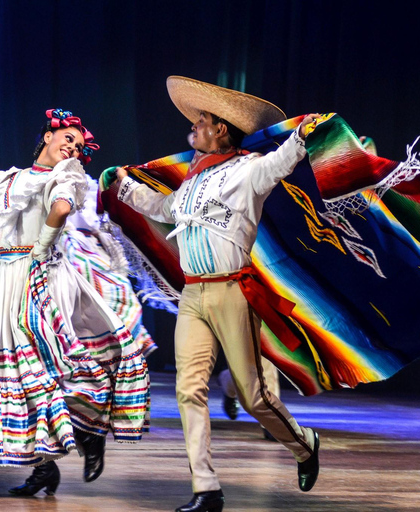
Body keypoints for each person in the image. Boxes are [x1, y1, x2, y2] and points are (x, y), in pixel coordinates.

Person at [102, 76, 322, 512]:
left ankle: (303, 445)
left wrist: (300, 136)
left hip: (232, 292)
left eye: (200, 120)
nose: (194, 127)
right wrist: (124, 186)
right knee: (189, 390)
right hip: (193, 297)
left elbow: (280, 164)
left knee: (253, 396)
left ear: (220, 129)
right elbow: (165, 209)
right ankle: (206, 489)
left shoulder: (250, 170)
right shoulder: (194, 179)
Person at [0, 109, 149, 496]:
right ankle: (44, 466)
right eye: (68, 139)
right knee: (13, 373)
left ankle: (87, 433)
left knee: (46, 366)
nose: (73, 148)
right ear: (48, 136)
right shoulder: (8, 179)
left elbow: (62, 209)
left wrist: (42, 247)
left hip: (44, 276)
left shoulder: (64, 176)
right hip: (5, 279)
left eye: (79, 147)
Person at [59, 174, 158, 358]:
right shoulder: (66, 231)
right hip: (73, 248)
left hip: (94, 247)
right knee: (88, 294)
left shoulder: (101, 233)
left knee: (121, 290)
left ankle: (117, 350)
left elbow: (97, 221)